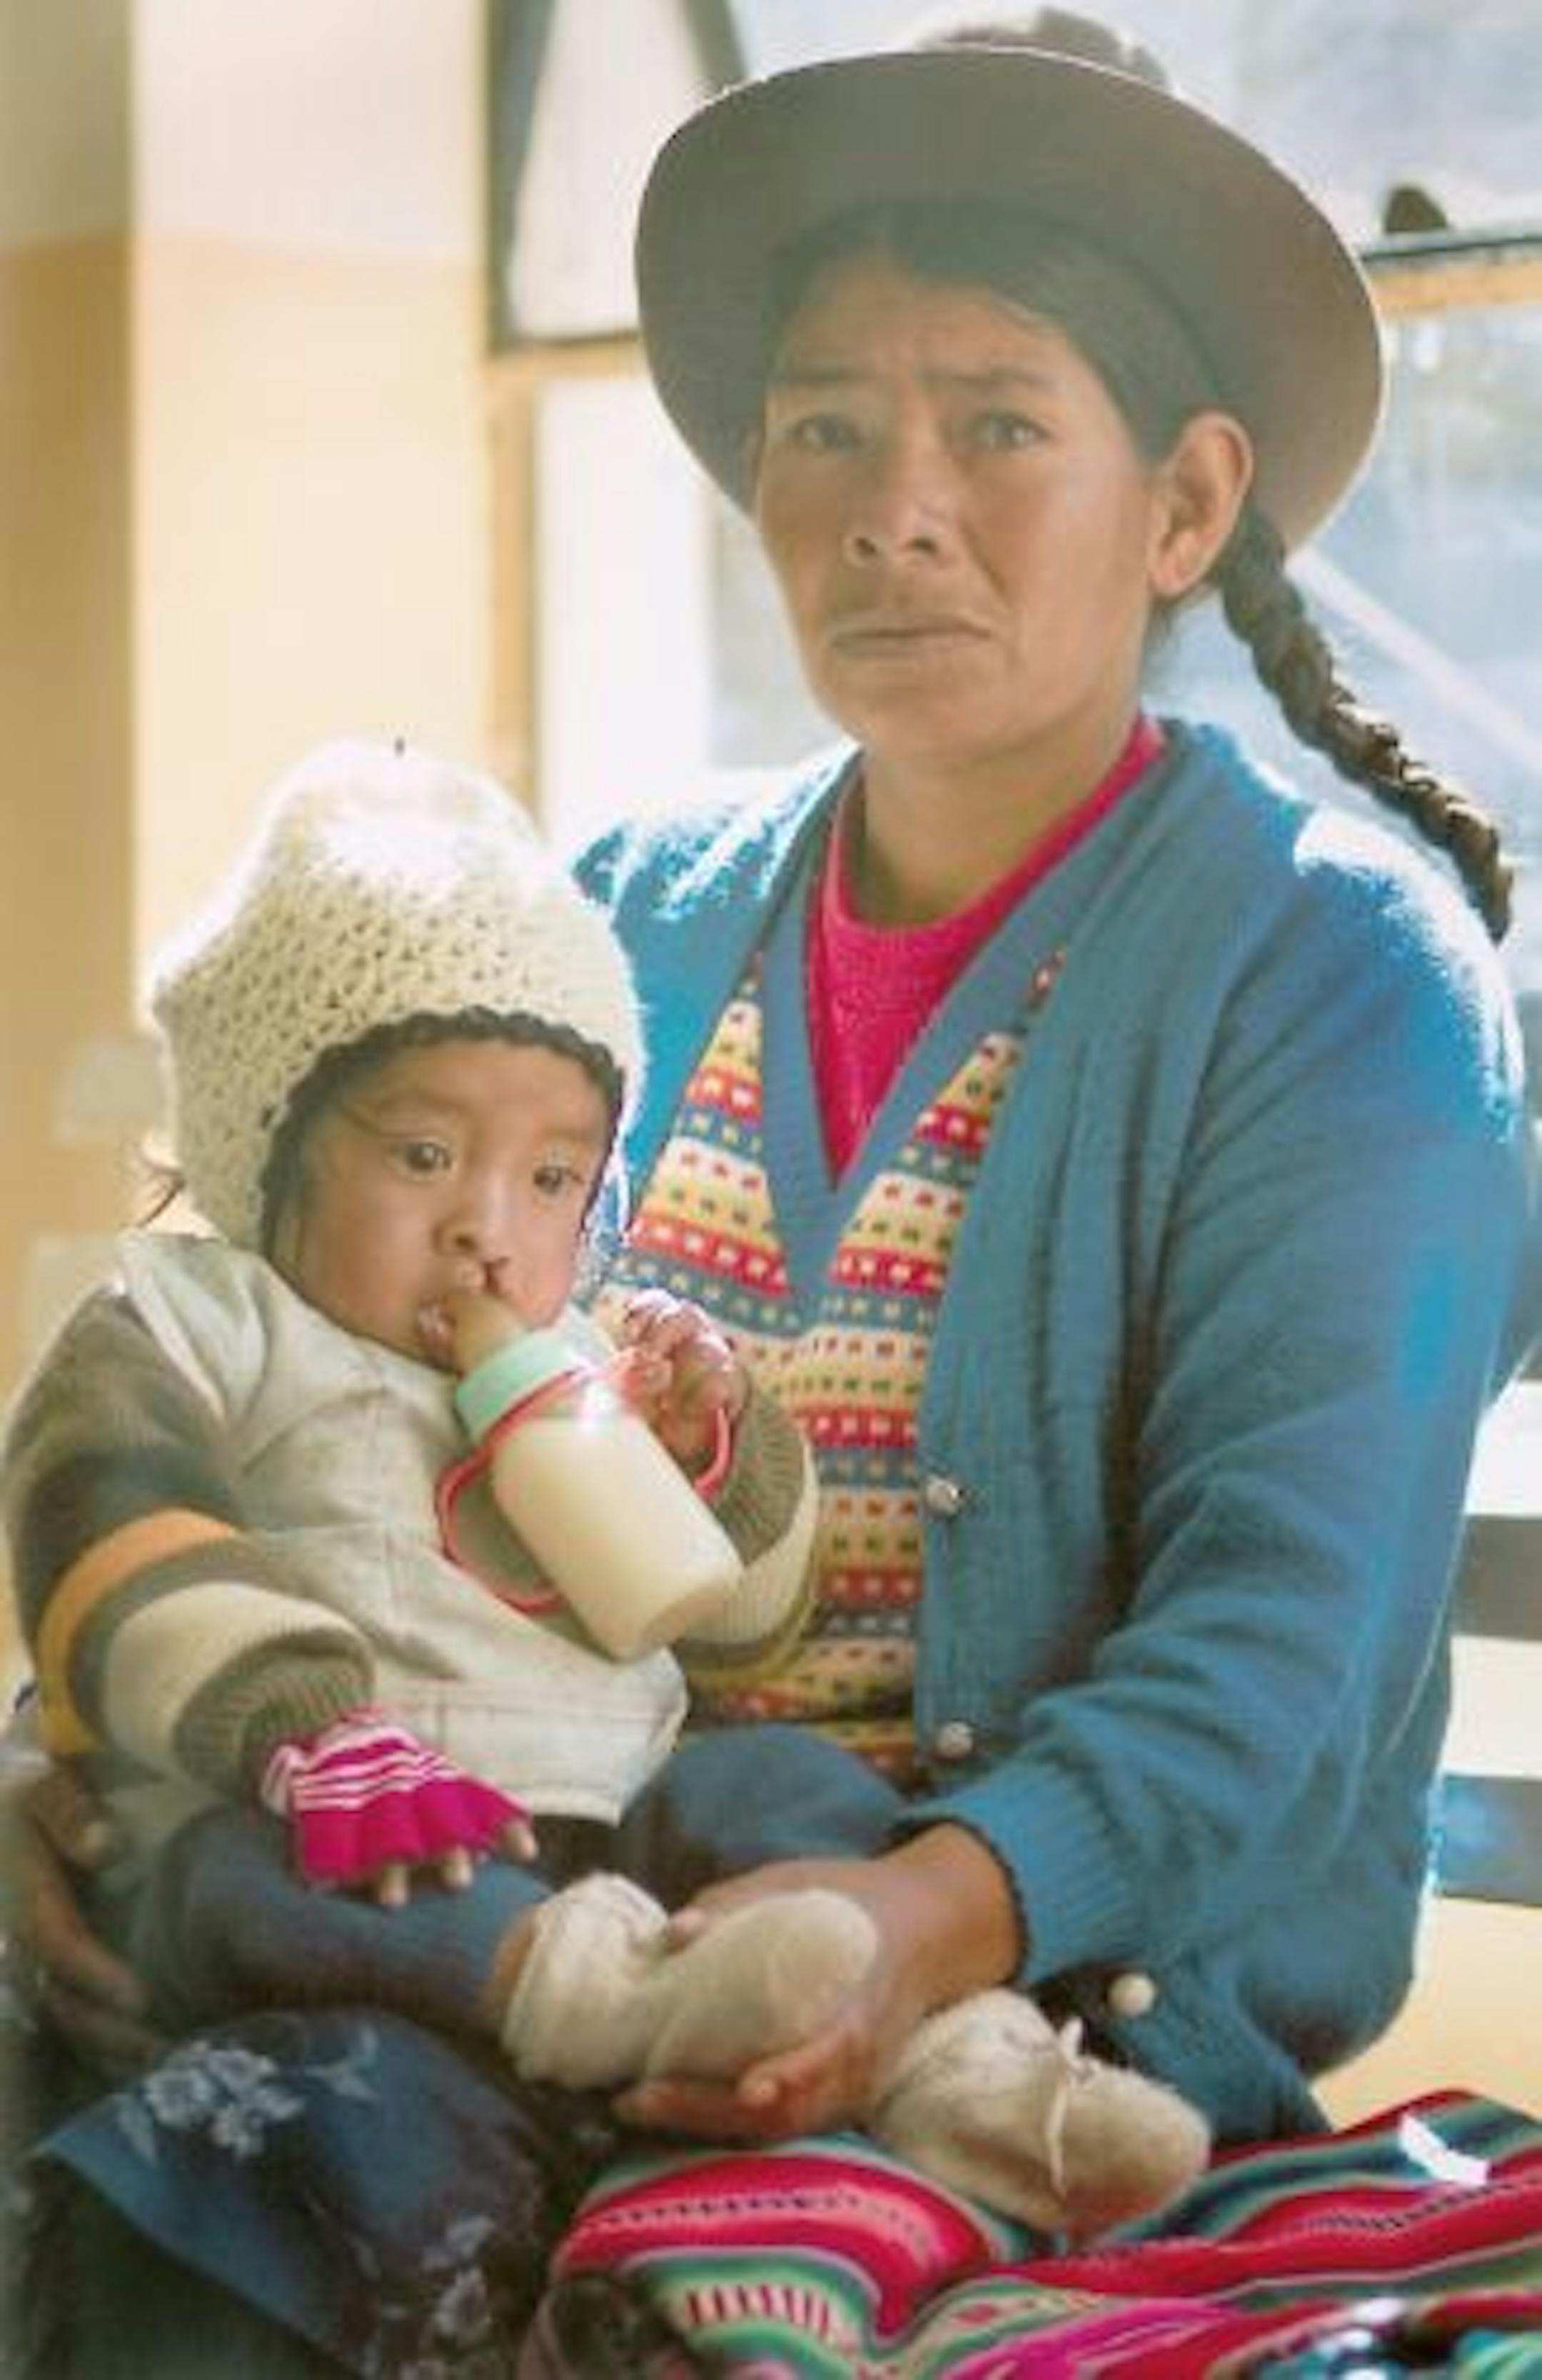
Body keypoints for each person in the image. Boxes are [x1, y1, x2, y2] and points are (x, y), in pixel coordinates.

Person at [1, 11, 1534, 2371]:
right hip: (479, 1904)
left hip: (1003, 2039)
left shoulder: (1336, 980)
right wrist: (72, 1774)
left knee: (244, 2190)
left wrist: (906, 1928)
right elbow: (284, 1396)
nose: (891, 507)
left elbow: (1274, 1649)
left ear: (1186, 503)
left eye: (997, 425)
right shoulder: (618, 911)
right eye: (825, 426)